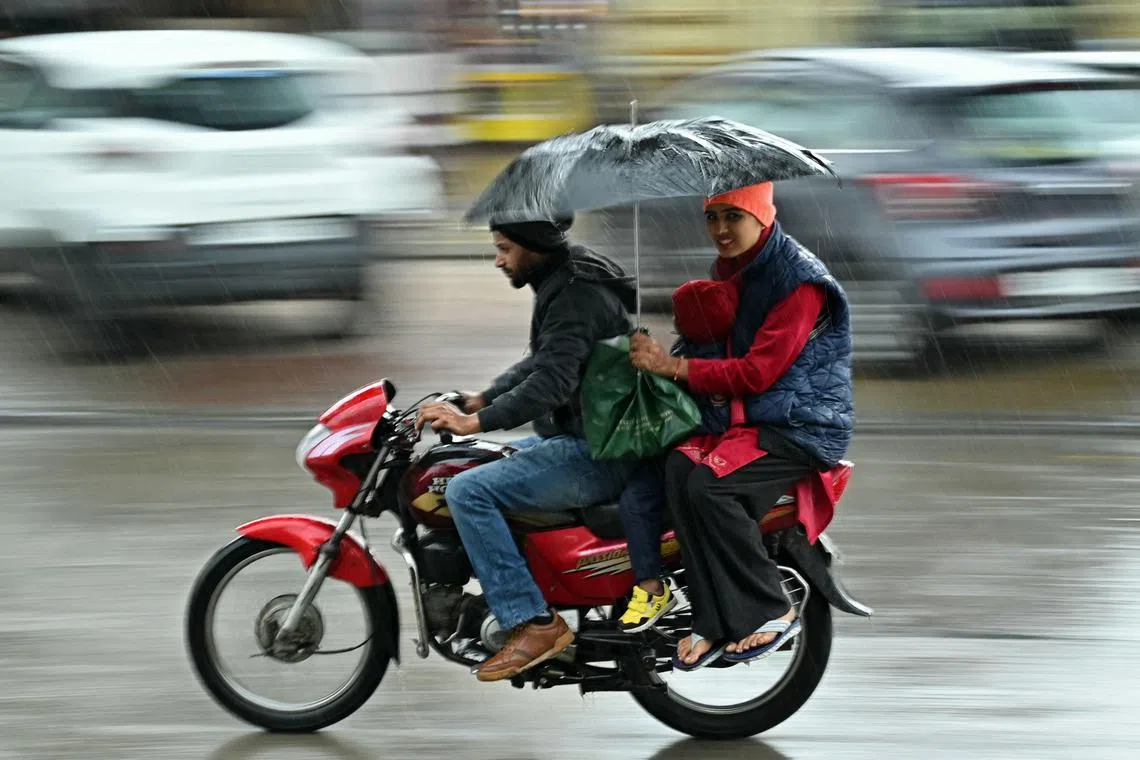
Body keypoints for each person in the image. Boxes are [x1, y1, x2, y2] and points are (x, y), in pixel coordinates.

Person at [627, 182, 854, 670]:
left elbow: (757, 372)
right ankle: (709, 620)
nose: (721, 230)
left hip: (801, 425)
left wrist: (673, 367)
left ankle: (771, 607)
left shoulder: (799, 282)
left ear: (762, 217)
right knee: (678, 472)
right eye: (713, 218)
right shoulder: (740, 271)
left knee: (712, 488)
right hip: (748, 417)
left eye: (734, 216)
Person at [416, 215, 637, 682]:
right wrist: (483, 397)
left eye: (505, 249)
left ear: (534, 245)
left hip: (597, 451)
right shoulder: (567, 276)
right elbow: (546, 359)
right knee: (480, 464)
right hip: (589, 436)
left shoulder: (575, 293)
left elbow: (552, 384)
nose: (498, 260)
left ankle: (532, 622)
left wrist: (473, 420)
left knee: (467, 492)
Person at [615, 277, 741, 635]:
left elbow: (707, 419)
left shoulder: (710, 358)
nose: (675, 320)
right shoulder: (699, 345)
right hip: (685, 448)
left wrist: (666, 381)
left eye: (680, 314)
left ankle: (651, 586)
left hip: (698, 452)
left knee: (636, 502)